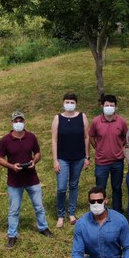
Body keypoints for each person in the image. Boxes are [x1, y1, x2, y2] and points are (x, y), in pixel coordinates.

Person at [0, 111, 53, 249]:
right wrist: (11, 166)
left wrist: (34, 161)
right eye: (15, 121)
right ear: (11, 123)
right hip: (14, 181)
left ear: (25, 121)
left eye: (20, 120)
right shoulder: (5, 140)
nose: (18, 123)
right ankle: (12, 235)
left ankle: (43, 227)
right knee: (14, 210)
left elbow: (38, 153)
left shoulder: (31, 137)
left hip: (32, 178)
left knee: (39, 206)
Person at [51, 92, 90, 228]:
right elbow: (54, 140)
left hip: (78, 158)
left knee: (73, 185)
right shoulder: (57, 118)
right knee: (62, 187)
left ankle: (71, 213)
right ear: (63, 103)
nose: (69, 104)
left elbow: (86, 137)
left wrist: (87, 156)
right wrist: (55, 160)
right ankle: (60, 215)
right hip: (63, 158)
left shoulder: (82, 117)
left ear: (76, 103)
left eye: (72, 102)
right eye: (67, 102)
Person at [88, 94, 128, 213]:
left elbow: (125, 137)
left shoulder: (121, 121)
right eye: (107, 105)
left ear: (115, 107)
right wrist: (98, 149)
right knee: (100, 188)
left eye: (112, 105)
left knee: (117, 188)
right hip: (101, 162)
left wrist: (121, 148)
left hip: (117, 161)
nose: (109, 107)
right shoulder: (96, 121)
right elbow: (91, 137)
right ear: (102, 106)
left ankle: (117, 211)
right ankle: (100, 211)